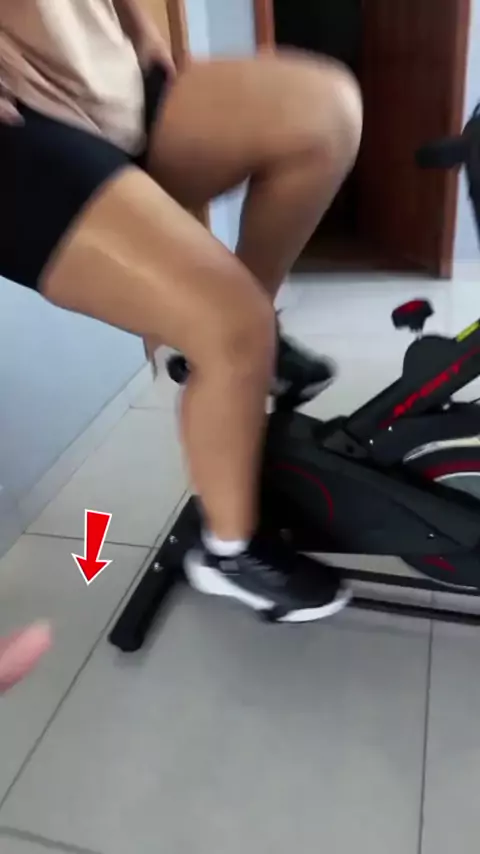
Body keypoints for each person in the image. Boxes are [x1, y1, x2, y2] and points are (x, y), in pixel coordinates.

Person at [0, 0, 362, 625]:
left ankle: (240, 358)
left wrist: (140, 26)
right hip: (17, 127)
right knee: (231, 323)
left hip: (102, 74)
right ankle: (227, 552)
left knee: (326, 111)